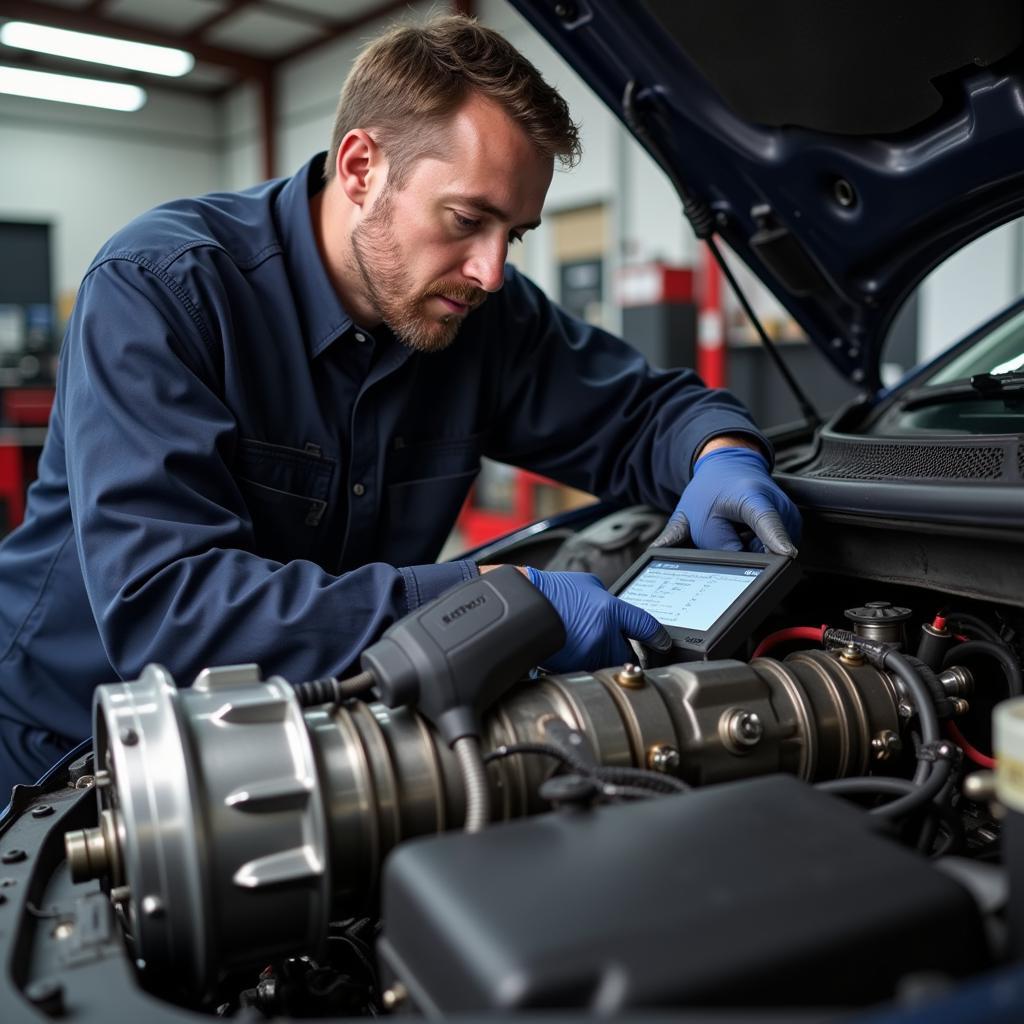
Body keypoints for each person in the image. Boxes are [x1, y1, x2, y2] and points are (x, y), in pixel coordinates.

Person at [0, 15, 799, 793]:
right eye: (466, 219)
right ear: (359, 167)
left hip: (304, 739)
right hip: (66, 754)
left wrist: (721, 455)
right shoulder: (164, 291)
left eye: (513, 234)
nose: (490, 271)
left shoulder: (482, 313)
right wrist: (488, 602)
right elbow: (171, 614)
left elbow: (640, 413)